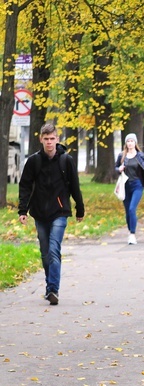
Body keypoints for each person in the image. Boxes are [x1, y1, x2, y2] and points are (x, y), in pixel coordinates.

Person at [17, 122, 85, 306]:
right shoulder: (34, 161)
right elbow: (24, 186)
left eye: (52, 139)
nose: (49, 142)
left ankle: (53, 289)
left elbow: (75, 186)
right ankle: (50, 287)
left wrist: (80, 208)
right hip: (39, 213)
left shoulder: (66, 160)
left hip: (60, 212)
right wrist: (23, 210)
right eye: (46, 139)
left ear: (57, 139)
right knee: (45, 253)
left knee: (54, 249)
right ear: (41, 139)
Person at [115, 133, 144, 245]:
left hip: (137, 185)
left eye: (132, 141)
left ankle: (132, 234)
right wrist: (119, 169)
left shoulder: (140, 156)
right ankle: (130, 230)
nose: (130, 143)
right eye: (128, 141)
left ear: (135, 143)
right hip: (125, 186)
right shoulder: (122, 155)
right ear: (126, 143)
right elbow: (116, 168)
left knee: (132, 209)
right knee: (128, 211)